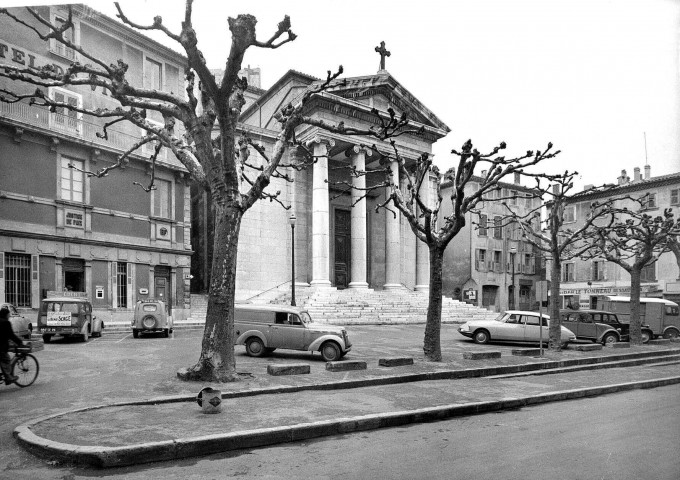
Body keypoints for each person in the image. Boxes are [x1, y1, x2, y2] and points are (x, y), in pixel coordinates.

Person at [0, 306, 24, 385]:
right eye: (8, 314)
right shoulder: (6, 323)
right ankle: (9, 377)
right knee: (6, 359)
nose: (9, 316)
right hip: (1, 347)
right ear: (6, 315)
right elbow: (11, 335)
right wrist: (19, 342)